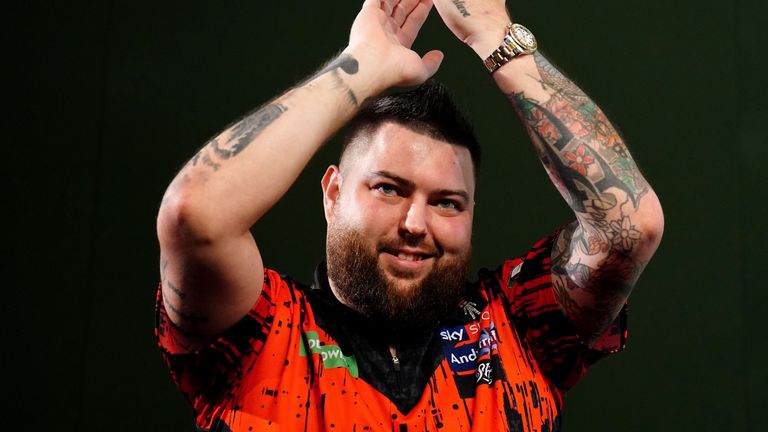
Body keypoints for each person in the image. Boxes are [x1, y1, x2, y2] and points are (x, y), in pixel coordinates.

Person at [155, 0, 664, 430]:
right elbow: (195, 215)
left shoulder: (518, 332)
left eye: (447, 202)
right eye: (388, 189)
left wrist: (496, 36)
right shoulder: (263, 336)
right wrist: (359, 67)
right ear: (332, 194)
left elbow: (629, 226)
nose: (415, 225)